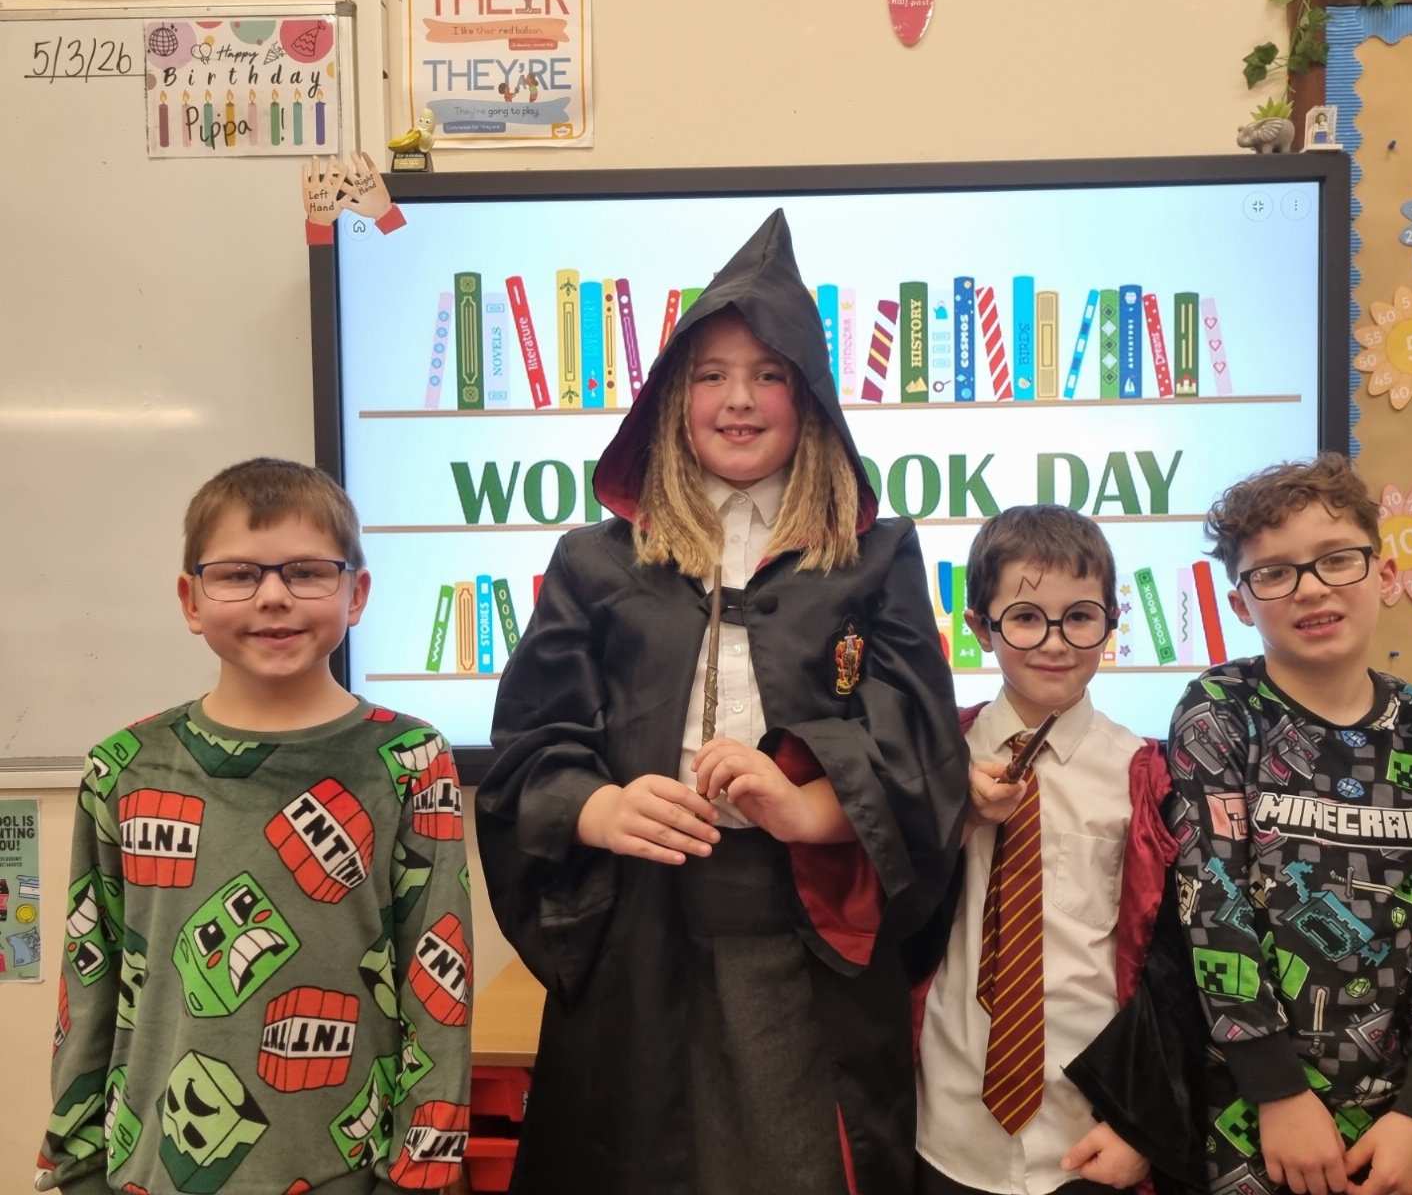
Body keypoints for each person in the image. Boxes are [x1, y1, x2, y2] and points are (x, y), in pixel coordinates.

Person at [475, 210, 968, 1195]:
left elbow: (920, 750)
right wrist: (601, 808)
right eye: (710, 375)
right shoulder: (594, 563)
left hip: (807, 949)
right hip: (637, 939)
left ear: (809, 397)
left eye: (768, 374)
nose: (738, 400)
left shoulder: (874, 559)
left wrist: (810, 806)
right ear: (673, 400)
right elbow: (529, 748)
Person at [37, 458, 473, 1195]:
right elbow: (91, 975)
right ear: (191, 599)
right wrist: (75, 1166)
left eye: (307, 572)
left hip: (348, 1173)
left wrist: (419, 1173)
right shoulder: (126, 766)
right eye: (238, 574)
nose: (274, 596)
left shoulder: (411, 760)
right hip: (153, 1170)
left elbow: (438, 982)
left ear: (356, 594)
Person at [1170, 454, 1412, 1195]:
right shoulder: (1219, 713)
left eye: (1336, 559)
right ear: (1241, 603)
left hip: (1393, 1117)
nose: (1310, 587)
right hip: (1246, 1112)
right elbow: (1211, 907)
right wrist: (1278, 1093)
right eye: (1274, 573)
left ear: (1384, 573)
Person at [916, 505, 1200, 1195]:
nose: (1054, 642)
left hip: (1091, 1128)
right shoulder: (932, 758)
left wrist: (1144, 1123)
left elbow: (1175, 967)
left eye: (1079, 617)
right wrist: (950, 812)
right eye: (1024, 618)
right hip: (943, 1124)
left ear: (1111, 622)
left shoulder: (1146, 776)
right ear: (980, 627)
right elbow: (882, 910)